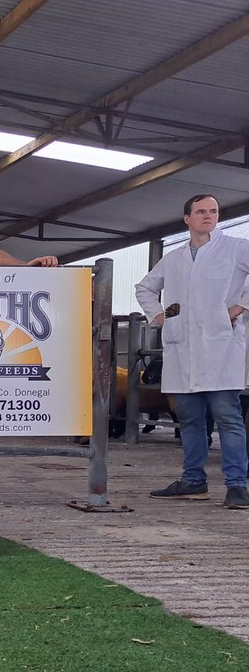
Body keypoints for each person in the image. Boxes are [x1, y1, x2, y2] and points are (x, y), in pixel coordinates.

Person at [134, 193, 249, 509]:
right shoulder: (173, 258)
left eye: (213, 211)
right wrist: (160, 317)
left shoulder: (236, 248)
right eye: (201, 211)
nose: (208, 216)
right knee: (190, 421)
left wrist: (239, 307)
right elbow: (144, 287)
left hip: (221, 349)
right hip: (183, 350)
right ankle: (193, 480)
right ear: (187, 219)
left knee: (229, 419)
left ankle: (237, 485)